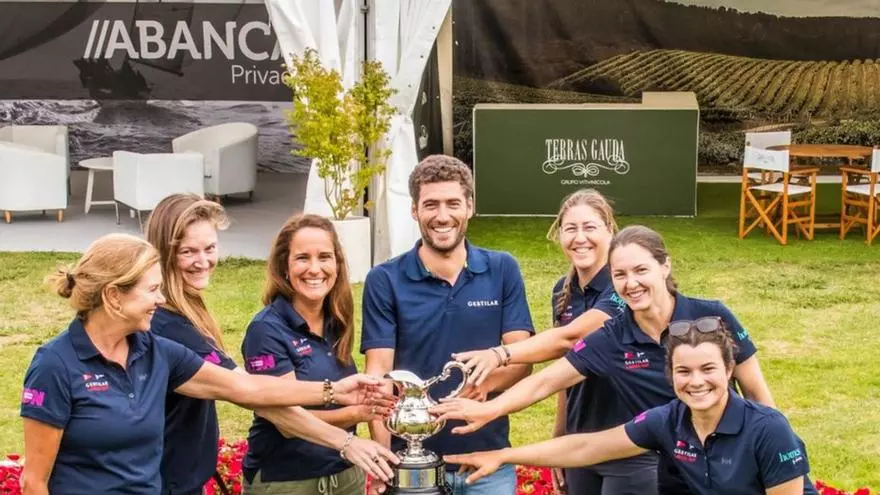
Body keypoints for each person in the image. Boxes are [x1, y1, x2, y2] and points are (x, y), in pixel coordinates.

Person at [19, 234, 382, 495]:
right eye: (152, 290)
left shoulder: (158, 352)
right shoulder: (55, 365)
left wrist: (334, 391)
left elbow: (245, 387)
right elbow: (34, 481)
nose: (161, 300)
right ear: (114, 296)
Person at [431, 225, 776, 493]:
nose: (631, 284)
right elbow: (547, 381)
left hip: (728, 459)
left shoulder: (713, 316)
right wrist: (491, 409)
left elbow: (757, 393)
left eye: (641, 270)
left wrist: (770, 448)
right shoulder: (612, 336)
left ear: (665, 266)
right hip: (663, 465)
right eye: (620, 275)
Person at [145, 195, 398, 494]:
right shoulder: (168, 325)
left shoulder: (184, 316)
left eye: (210, 248)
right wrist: (342, 415)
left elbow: (256, 394)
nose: (203, 262)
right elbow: (252, 393)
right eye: (188, 251)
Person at [445, 319, 818, 495]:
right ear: (670, 375)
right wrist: (504, 455)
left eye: (708, 369)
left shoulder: (769, 429)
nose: (696, 381)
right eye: (684, 371)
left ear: (729, 370)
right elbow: (586, 446)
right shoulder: (668, 421)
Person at [455, 189, 656, 495]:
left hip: (630, 443)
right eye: (570, 228)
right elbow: (566, 367)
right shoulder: (563, 290)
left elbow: (571, 337)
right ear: (559, 234)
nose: (580, 238)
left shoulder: (624, 286)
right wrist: (559, 438)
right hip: (579, 443)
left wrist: (499, 354)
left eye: (590, 227)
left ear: (609, 230)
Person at [362, 154, 535, 494]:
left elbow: (522, 358)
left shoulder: (502, 269)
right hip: (410, 465)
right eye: (431, 205)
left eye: (453, 203)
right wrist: (383, 460)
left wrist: (480, 387)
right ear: (414, 210)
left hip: (487, 463)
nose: (442, 216)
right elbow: (379, 374)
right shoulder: (385, 279)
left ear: (470, 206)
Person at [240, 213, 397, 494]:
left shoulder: (337, 321)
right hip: (287, 482)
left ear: (337, 264)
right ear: (284, 267)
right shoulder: (266, 329)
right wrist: (356, 413)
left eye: (324, 257)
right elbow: (286, 421)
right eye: (302, 258)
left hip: (346, 473)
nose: (315, 269)